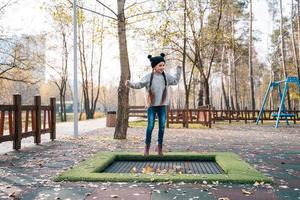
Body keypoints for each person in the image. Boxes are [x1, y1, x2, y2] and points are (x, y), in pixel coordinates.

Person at [125, 53, 182, 156]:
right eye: (160, 65)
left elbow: (175, 81)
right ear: (154, 66)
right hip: (152, 106)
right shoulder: (148, 77)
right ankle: (147, 147)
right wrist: (130, 84)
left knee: (162, 127)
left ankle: (159, 146)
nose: (162, 67)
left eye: (163, 65)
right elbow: (139, 85)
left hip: (162, 106)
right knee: (150, 126)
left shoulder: (166, 76)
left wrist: (178, 69)